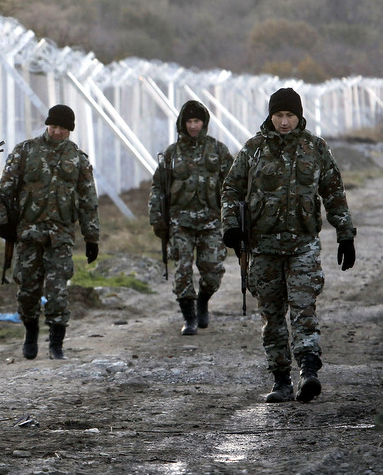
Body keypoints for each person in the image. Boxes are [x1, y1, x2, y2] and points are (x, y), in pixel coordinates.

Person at [221, 88, 356, 403]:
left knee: (304, 308)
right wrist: (231, 228)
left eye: (290, 116)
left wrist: (345, 233)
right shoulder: (253, 149)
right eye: (279, 115)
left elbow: (334, 190)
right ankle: (281, 379)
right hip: (263, 247)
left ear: (299, 116)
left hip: (302, 245)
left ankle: (309, 369)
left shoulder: (315, 148)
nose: (284, 122)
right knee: (272, 316)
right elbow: (231, 188)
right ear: (270, 116)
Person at [0, 104, 100, 360]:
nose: (58, 132)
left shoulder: (78, 159)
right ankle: (30, 333)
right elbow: (3, 192)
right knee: (28, 290)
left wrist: (91, 237)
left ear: (70, 130)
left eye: (63, 128)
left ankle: (56, 343)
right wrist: (4, 222)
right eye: (54, 126)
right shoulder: (25, 151)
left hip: (61, 237)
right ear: (47, 124)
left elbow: (88, 201)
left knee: (57, 292)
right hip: (28, 235)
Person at [148, 100, 234, 335]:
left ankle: (203, 301)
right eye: (189, 121)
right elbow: (158, 187)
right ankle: (189, 318)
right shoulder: (172, 154)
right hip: (180, 222)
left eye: (197, 121)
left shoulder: (218, 150)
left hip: (211, 221)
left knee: (213, 271)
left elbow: (234, 185)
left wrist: (235, 218)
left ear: (204, 123)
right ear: (182, 123)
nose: (193, 126)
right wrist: (157, 218)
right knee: (182, 270)